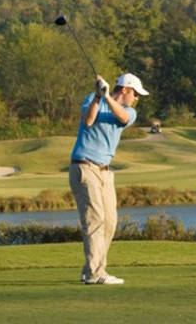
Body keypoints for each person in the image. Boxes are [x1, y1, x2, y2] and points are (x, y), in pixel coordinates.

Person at [68, 72, 149, 285]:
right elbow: (88, 121)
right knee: (94, 222)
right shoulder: (91, 99)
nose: (137, 99)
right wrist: (97, 96)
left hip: (105, 172)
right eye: (136, 94)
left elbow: (121, 117)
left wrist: (106, 97)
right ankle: (95, 273)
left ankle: (94, 270)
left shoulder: (129, 112)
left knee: (109, 222)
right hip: (85, 168)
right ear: (125, 90)